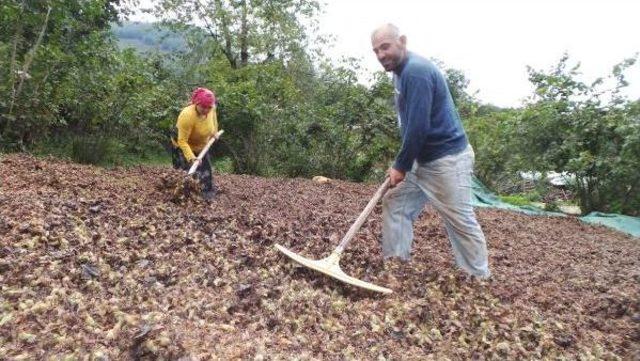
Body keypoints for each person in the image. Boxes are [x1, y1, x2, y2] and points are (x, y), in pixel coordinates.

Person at [371, 24, 490, 279]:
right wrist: (406, 162)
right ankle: (396, 266)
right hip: (421, 159)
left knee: (459, 220)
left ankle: (478, 279)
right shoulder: (399, 72)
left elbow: (418, 127)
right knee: (396, 202)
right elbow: (411, 124)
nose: (380, 55)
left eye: (385, 47)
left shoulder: (416, 71)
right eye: (375, 51)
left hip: (447, 159)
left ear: (402, 41)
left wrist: (401, 165)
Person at [171, 87, 219, 200]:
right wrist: (192, 157)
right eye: (203, 107)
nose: (206, 110)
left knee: (206, 171)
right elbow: (182, 141)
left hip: (201, 145)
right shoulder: (187, 116)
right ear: (197, 103)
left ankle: (207, 194)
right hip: (182, 145)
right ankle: (182, 196)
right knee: (186, 173)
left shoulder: (211, 108)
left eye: (209, 107)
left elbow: (214, 120)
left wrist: (214, 132)